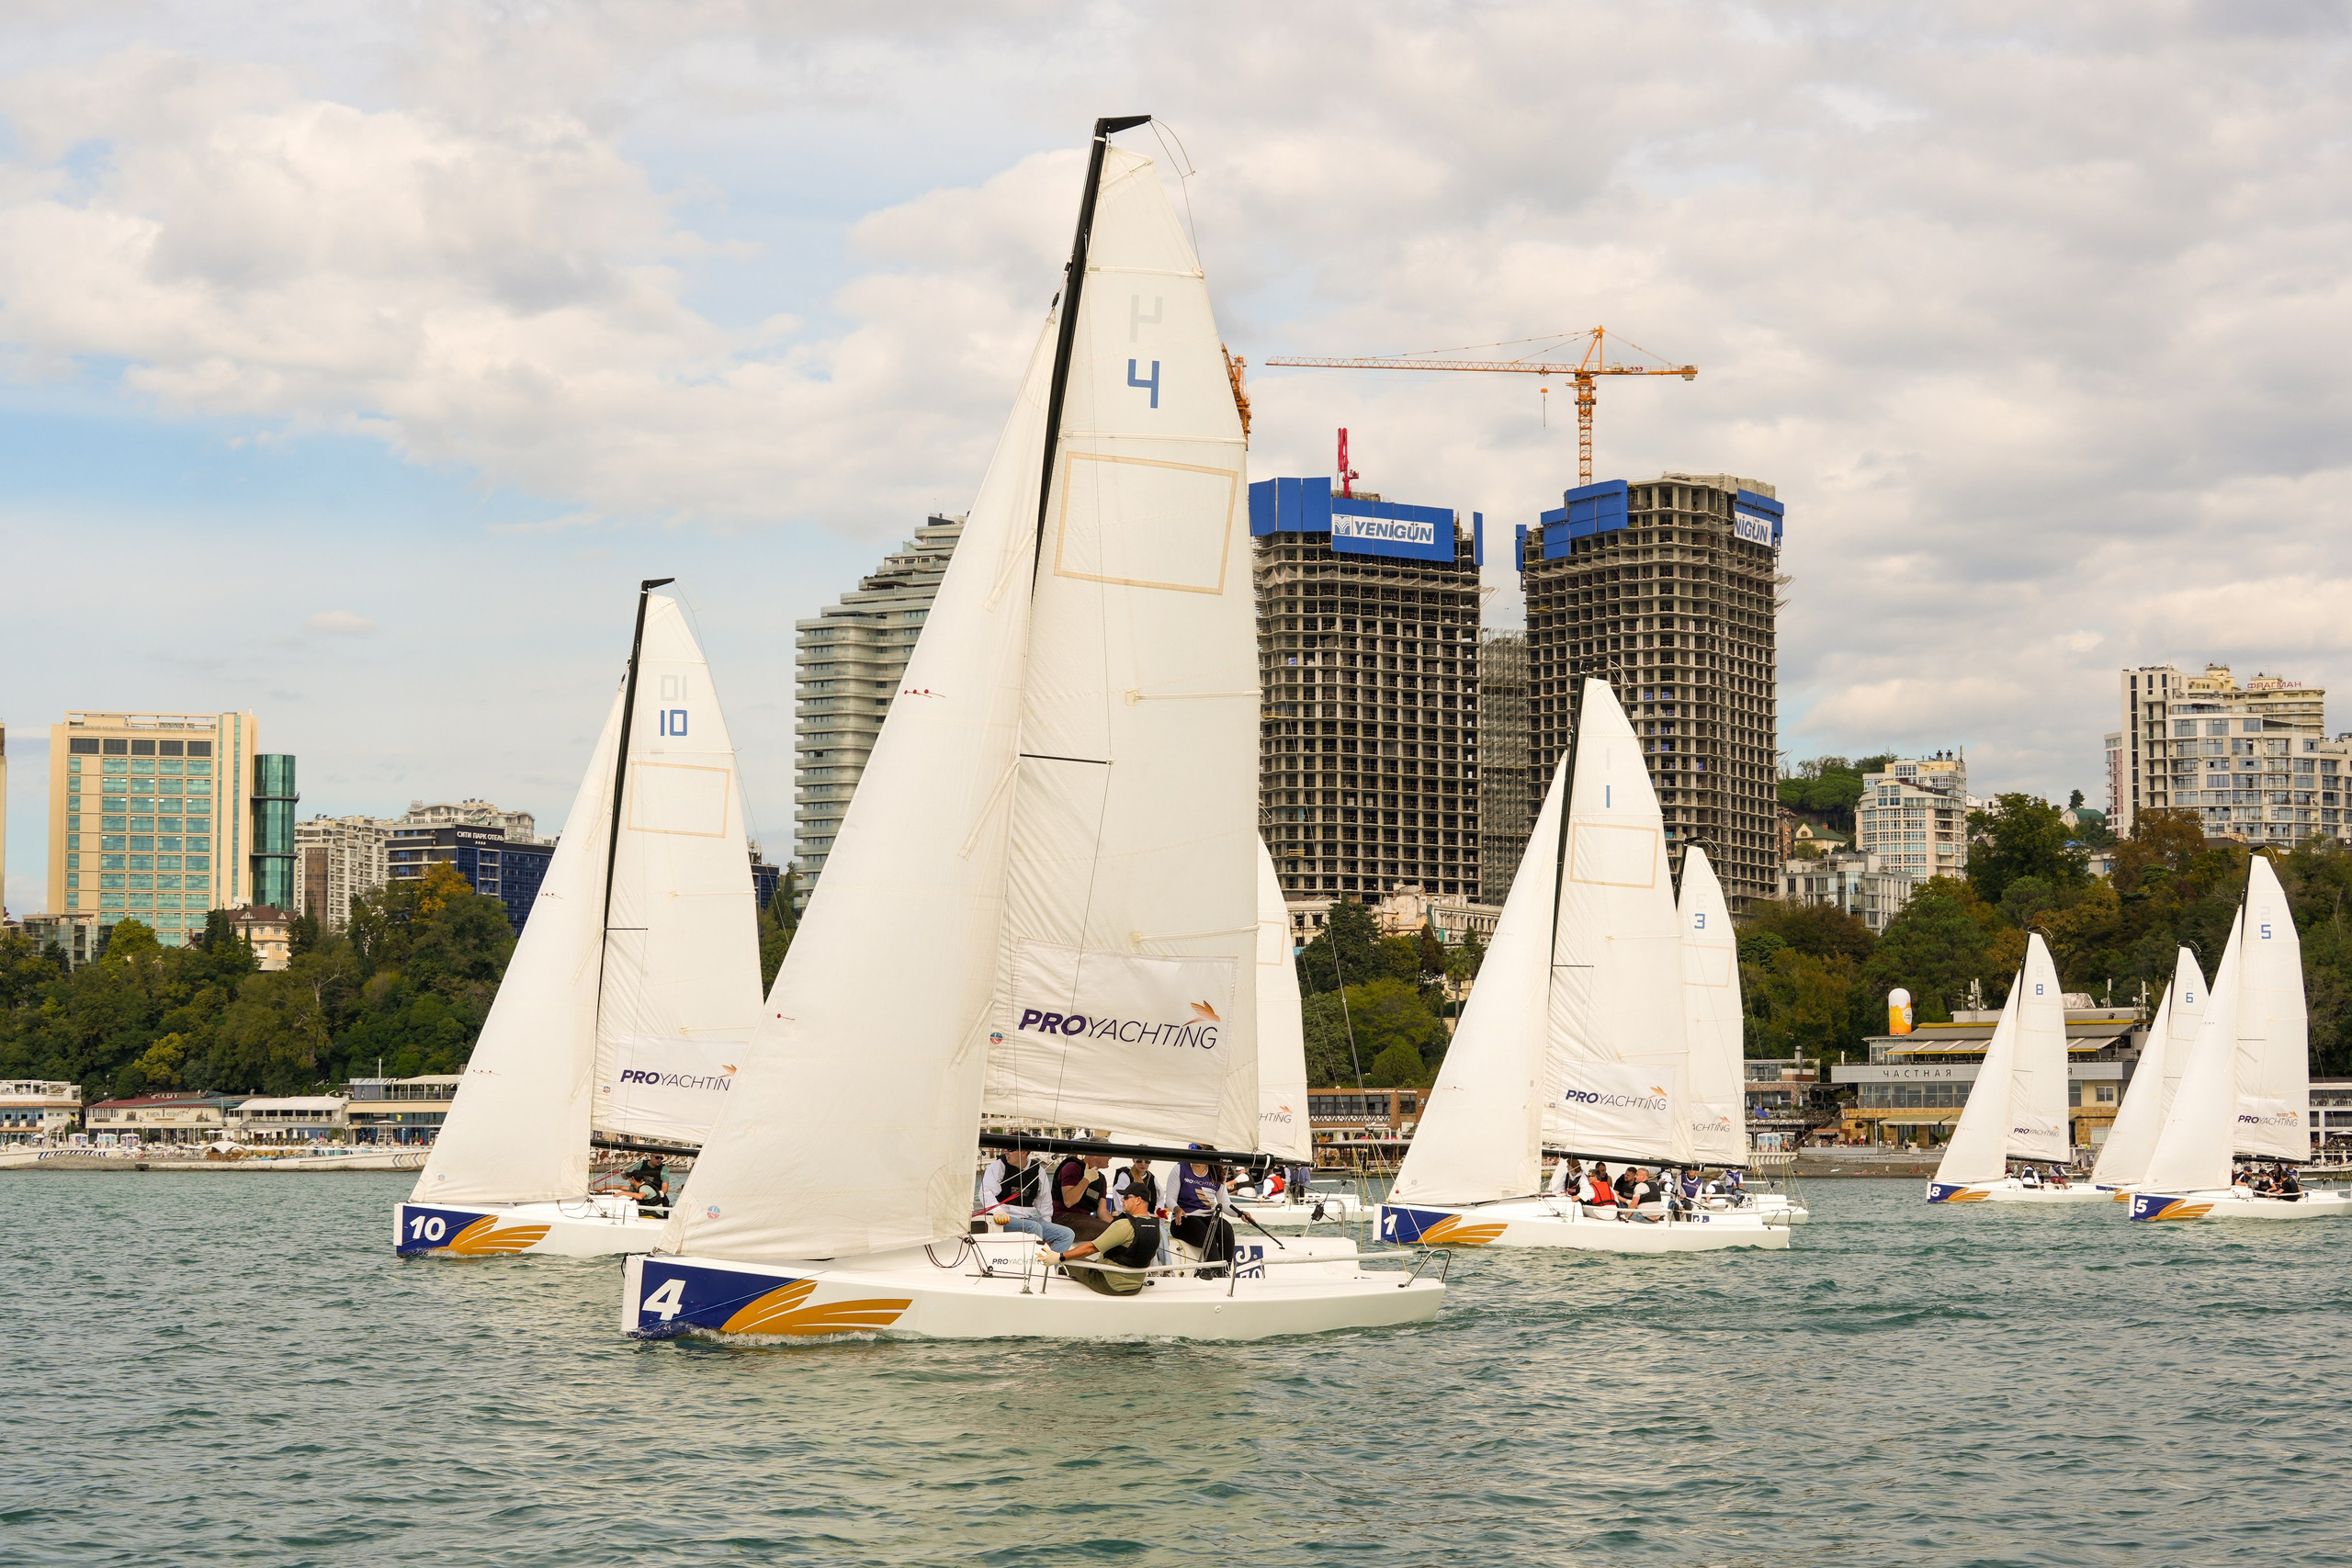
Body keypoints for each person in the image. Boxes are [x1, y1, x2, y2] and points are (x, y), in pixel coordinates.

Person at [1043, 1193, 1162, 1297]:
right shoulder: (1157, 1229)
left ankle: (1053, 1288)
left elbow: (1091, 1248)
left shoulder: (1124, 1225)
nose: (1122, 1200)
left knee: (1067, 1262)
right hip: (1136, 1286)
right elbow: (1148, 1259)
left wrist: (1060, 1256)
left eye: (1126, 1197)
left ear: (1138, 1200)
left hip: (1110, 1284)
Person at [982, 1147, 1074, 1252]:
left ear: (1024, 1152)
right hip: (1004, 1218)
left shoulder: (1038, 1170)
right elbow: (985, 1192)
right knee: (1034, 1228)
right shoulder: (998, 1166)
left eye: (1010, 1150)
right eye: (1005, 1149)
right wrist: (997, 1211)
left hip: (1028, 1218)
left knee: (1067, 1234)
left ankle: (1047, 1266)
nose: (1005, 1152)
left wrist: (1047, 1223)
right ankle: (1035, 1266)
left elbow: (1044, 1202)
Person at [1172, 1152, 1237, 1276]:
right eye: (1192, 1148)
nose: (1194, 1151)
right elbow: (1170, 1198)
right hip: (1184, 1219)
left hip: (1206, 1218)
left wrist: (1241, 1214)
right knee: (1208, 1237)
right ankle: (1217, 1274)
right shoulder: (1181, 1168)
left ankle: (1225, 1271)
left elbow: (1225, 1204)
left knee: (1227, 1231)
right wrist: (1176, 1209)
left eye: (1198, 1148)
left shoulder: (1216, 1173)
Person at [1055, 1154, 1113, 1244]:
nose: (1110, 1157)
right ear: (1095, 1154)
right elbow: (1069, 1201)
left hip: (1084, 1219)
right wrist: (1087, 1179)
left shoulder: (1101, 1179)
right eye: (1107, 1154)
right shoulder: (1072, 1167)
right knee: (1110, 1231)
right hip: (1064, 1218)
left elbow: (1102, 1212)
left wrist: (1118, 1226)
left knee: (1119, 1231)